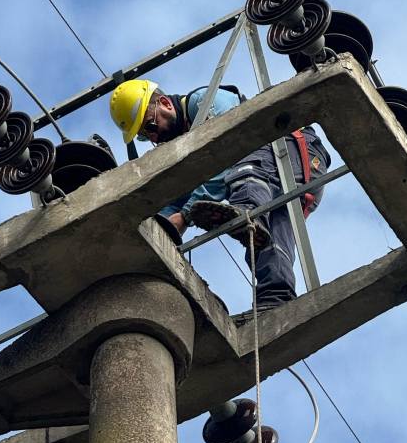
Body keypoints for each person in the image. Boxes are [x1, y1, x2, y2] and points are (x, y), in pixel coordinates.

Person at [108, 78, 331, 308]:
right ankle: (275, 298)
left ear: (165, 103)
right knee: (267, 240)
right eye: (144, 136)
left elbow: (231, 147)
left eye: (150, 127)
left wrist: (185, 216)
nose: (152, 138)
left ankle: (247, 213)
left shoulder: (202, 101)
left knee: (245, 176)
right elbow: (183, 194)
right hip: (289, 179)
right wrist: (161, 223)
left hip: (290, 148)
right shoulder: (185, 146)